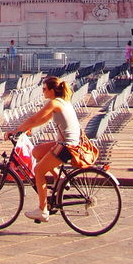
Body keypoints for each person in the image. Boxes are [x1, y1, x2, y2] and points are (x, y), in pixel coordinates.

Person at [11, 75, 81, 223]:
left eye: (44, 89)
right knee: (36, 151)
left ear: (51, 90)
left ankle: (42, 210)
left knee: (38, 171)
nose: (42, 92)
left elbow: (34, 118)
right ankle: (59, 178)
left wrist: (14, 131)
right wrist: (26, 129)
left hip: (66, 146)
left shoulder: (55, 103)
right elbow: (43, 120)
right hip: (67, 143)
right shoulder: (62, 102)